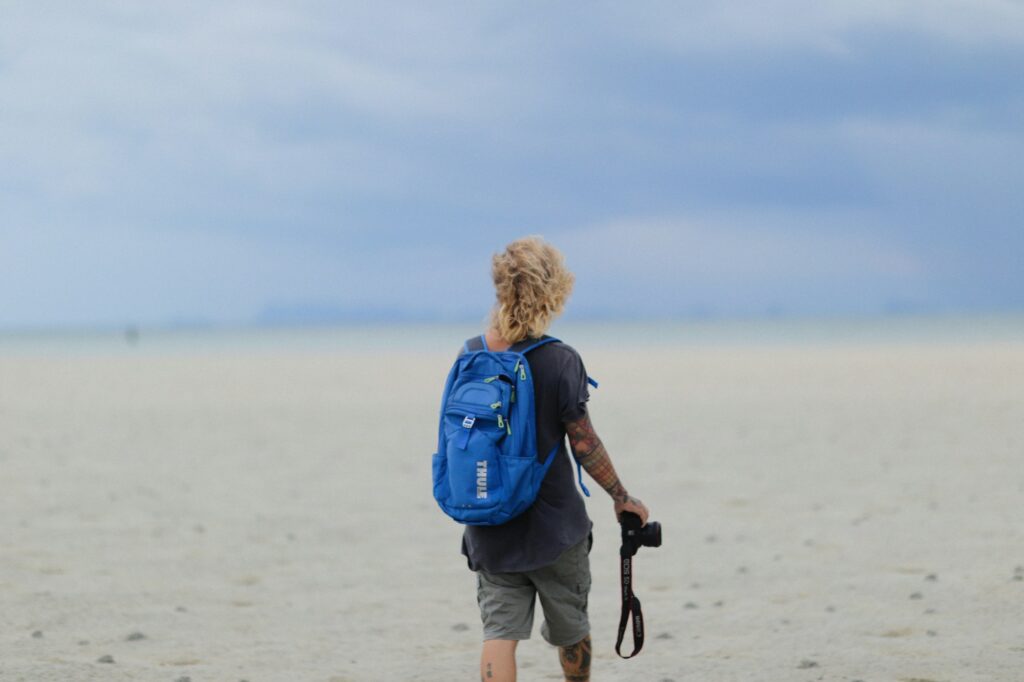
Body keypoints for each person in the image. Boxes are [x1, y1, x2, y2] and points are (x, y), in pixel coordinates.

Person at [461, 236, 650, 682]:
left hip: (489, 520)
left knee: (499, 632)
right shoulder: (561, 359)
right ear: (555, 290)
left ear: (500, 287)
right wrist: (621, 496)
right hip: (554, 528)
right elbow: (584, 443)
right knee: (572, 632)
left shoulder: (470, 354)